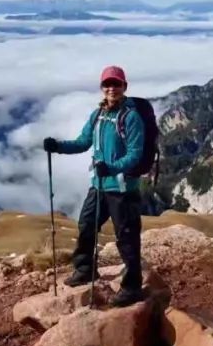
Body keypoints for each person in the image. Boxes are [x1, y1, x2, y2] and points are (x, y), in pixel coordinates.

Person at [43, 65, 145, 307]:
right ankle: (85, 270)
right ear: (102, 88)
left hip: (122, 189)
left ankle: (132, 287)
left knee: (127, 237)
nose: (112, 88)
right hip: (98, 185)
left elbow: (136, 155)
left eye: (116, 84)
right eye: (108, 84)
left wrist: (111, 167)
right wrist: (57, 146)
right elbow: (83, 142)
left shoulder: (131, 117)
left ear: (124, 87)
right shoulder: (97, 115)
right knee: (86, 225)